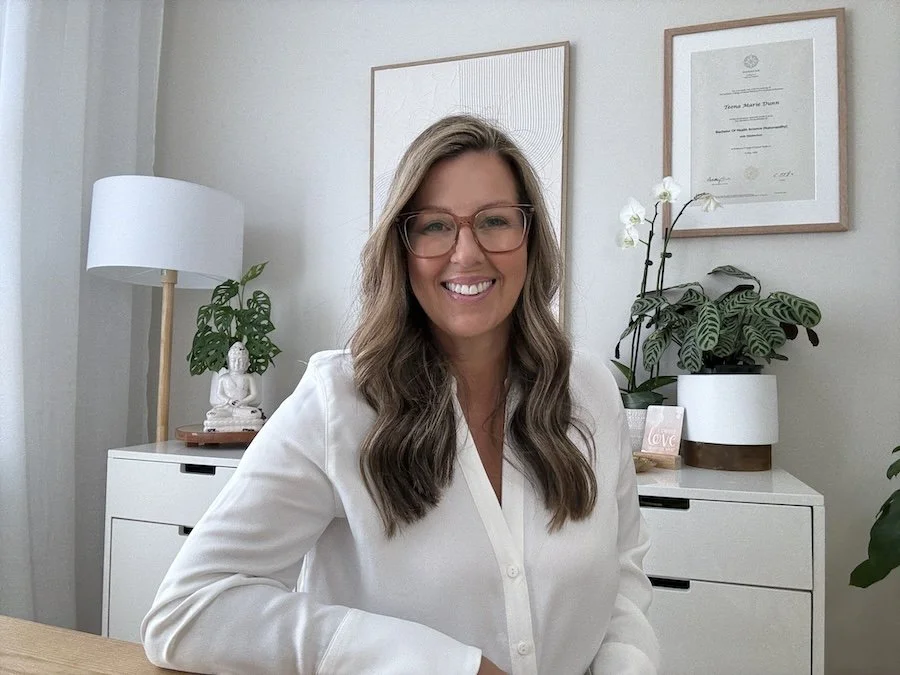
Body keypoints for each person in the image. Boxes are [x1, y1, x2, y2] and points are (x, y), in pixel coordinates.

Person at [142, 115, 659, 674]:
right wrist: (442, 667)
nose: (467, 253)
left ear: (530, 240)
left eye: (495, 221)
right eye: (435, 226)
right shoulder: (338, 404)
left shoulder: (590, 389)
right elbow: (187, 611)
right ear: (401, 246)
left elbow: (623, 579)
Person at [203, 341, 265, 432]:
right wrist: (229, 400)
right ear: (228, 362)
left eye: (241, 361)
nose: (237, 364)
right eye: (233, 361)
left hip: (242, 408)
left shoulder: (248, 377)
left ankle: (222, 426)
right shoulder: (223, 378)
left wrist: (242, 402)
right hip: (226, 408)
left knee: (255, 414)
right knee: (211, 415)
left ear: (247, 363)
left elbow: (253, 394)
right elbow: (219, 393)